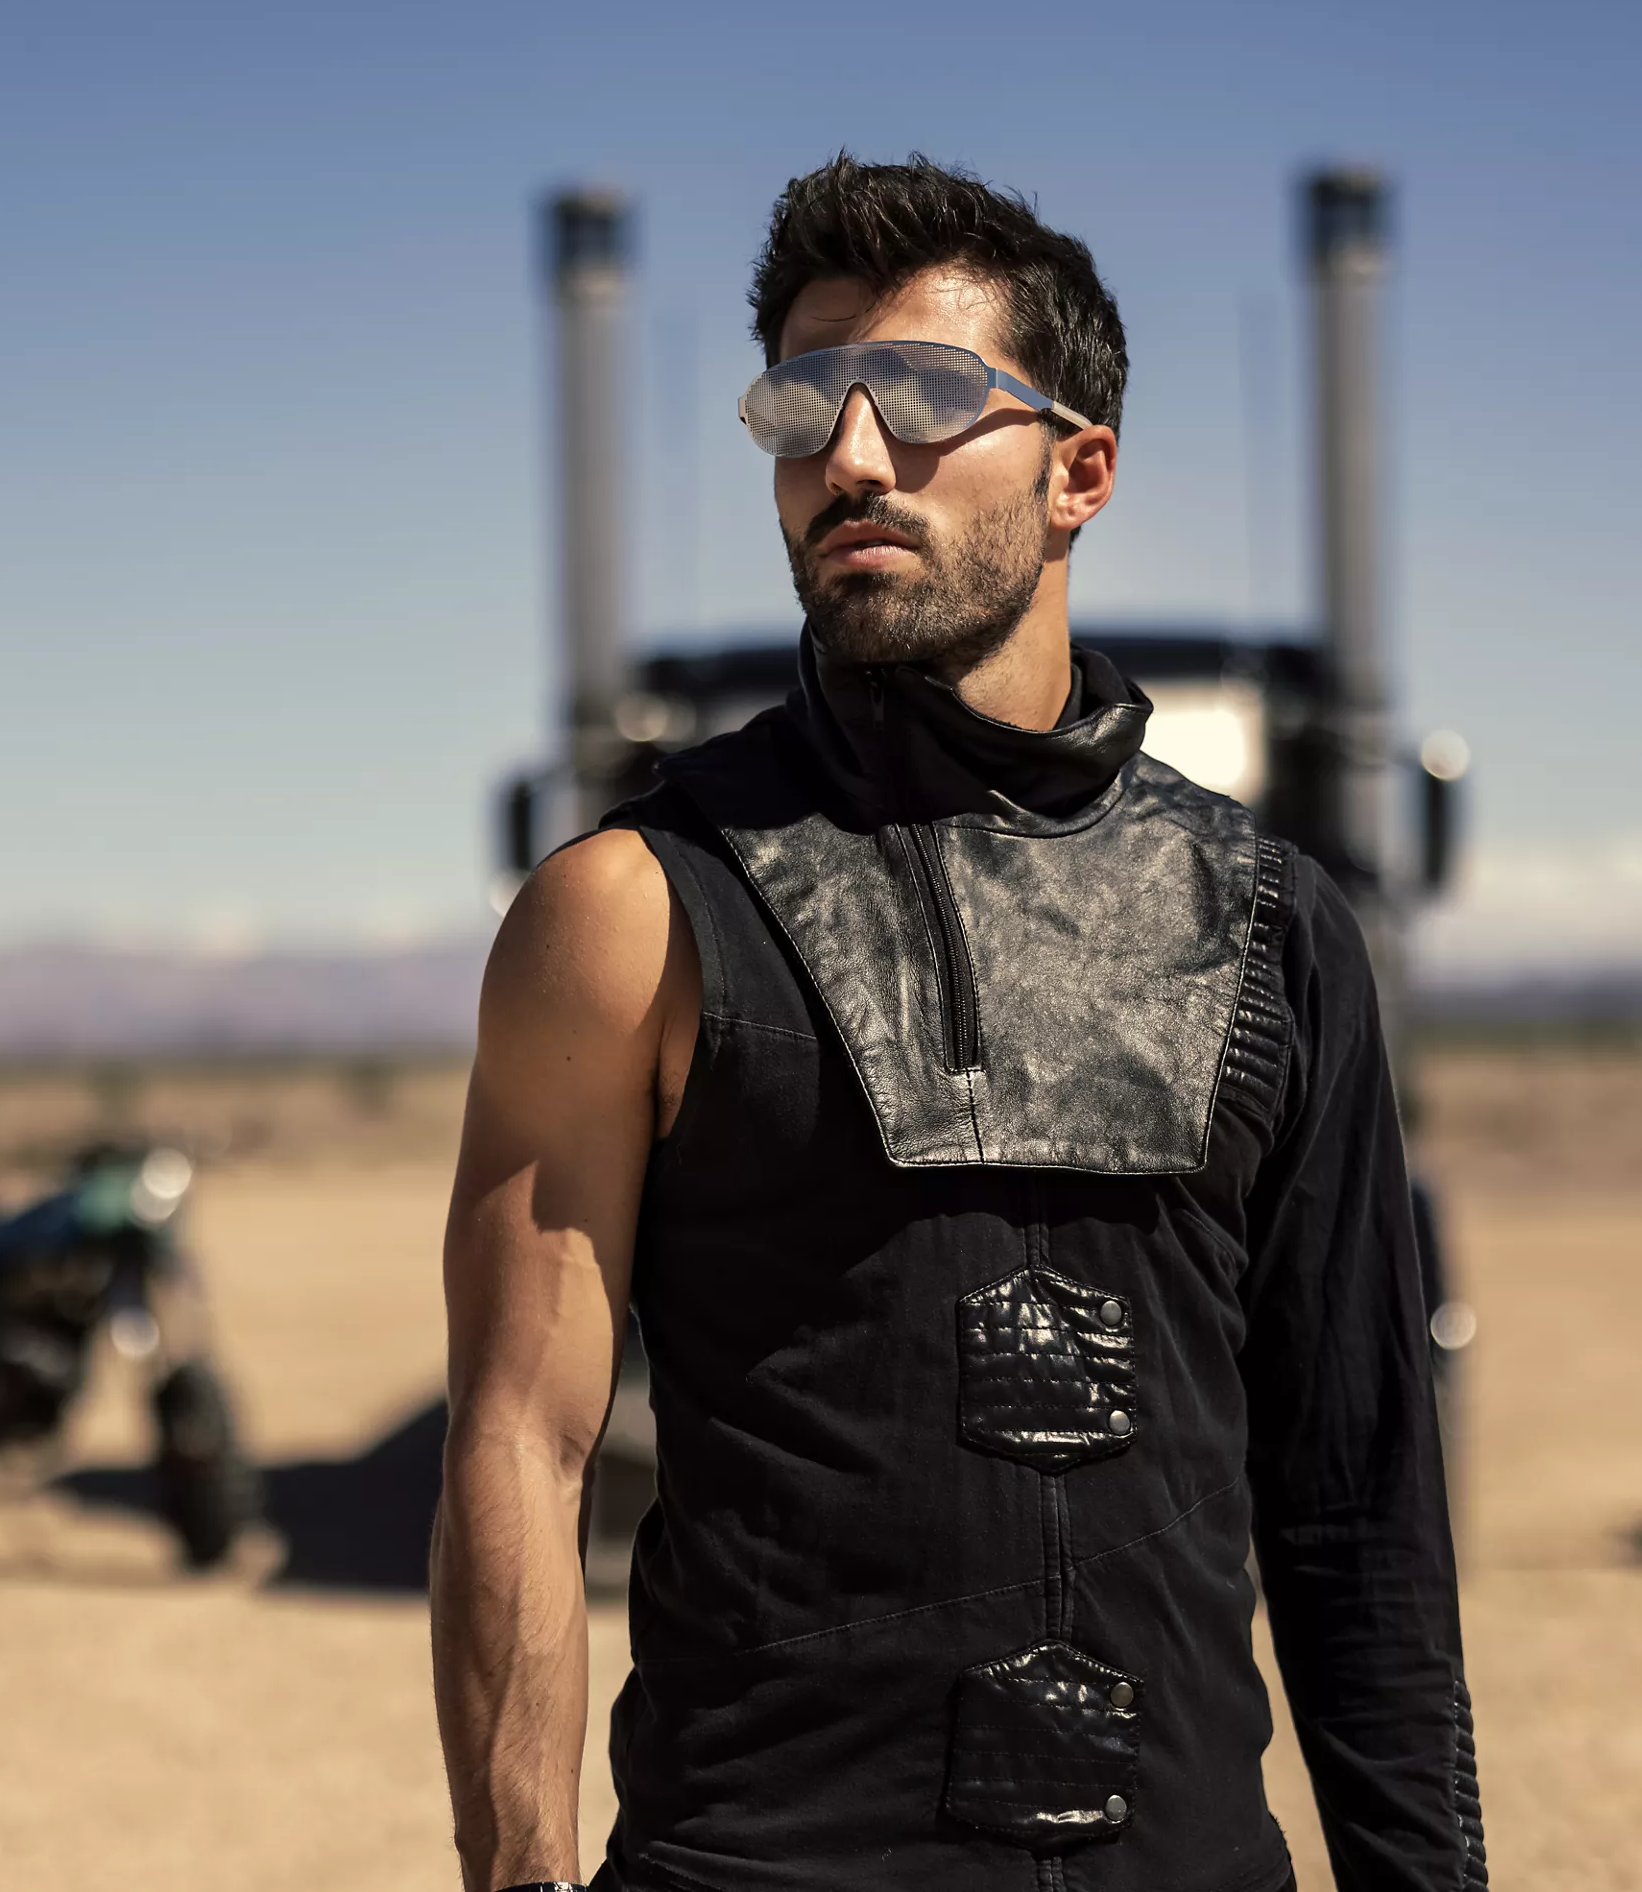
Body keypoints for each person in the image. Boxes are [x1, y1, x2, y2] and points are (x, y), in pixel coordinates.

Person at [433, 153, 1485, 1892]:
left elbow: (1358, 1508)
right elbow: (522, 1448)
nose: (847, 458)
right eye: (801, 409)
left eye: (920, 398)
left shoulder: (1281, 929)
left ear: (1082, 472)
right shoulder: (627, 912)